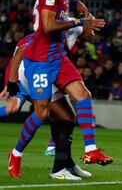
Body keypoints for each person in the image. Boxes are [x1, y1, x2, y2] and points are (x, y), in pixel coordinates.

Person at [6, 0, 112, 176]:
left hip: (57, 59)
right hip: (40, 63)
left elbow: (72, 21)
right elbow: (46, 26)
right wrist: (12, 82)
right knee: (42, 114)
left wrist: (78, 5)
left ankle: (90, 150)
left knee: (82, 95)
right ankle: (16, 153)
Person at [2, 31, 91, 179]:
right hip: (31, 74)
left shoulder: (69, 29)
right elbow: (16, 56)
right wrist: (9, 82)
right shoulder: (43, 34)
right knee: (58, 116)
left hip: (48, 70)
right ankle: (17, 154)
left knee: (66, 117)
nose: (93, 33)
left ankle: (66, 165)